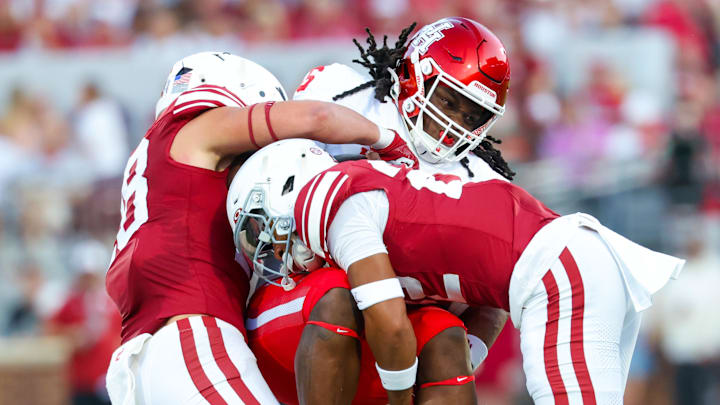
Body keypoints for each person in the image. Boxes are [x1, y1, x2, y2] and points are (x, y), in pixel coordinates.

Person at [228, 138, 685, 405]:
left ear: (284, 189)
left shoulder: (334, 206)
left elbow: (388, 320)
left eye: (257, 226)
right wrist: (468, 354)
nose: (265, 247)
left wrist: (398, 398)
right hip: (571, 264)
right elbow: (490, 300)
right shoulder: (375, 190)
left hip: (561, 275)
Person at [104, 51, 418, 405]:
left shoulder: (157, 161)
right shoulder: (195, 129)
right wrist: (386, 138)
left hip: (147, 354)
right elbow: (317, 116)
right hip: (190, 334)